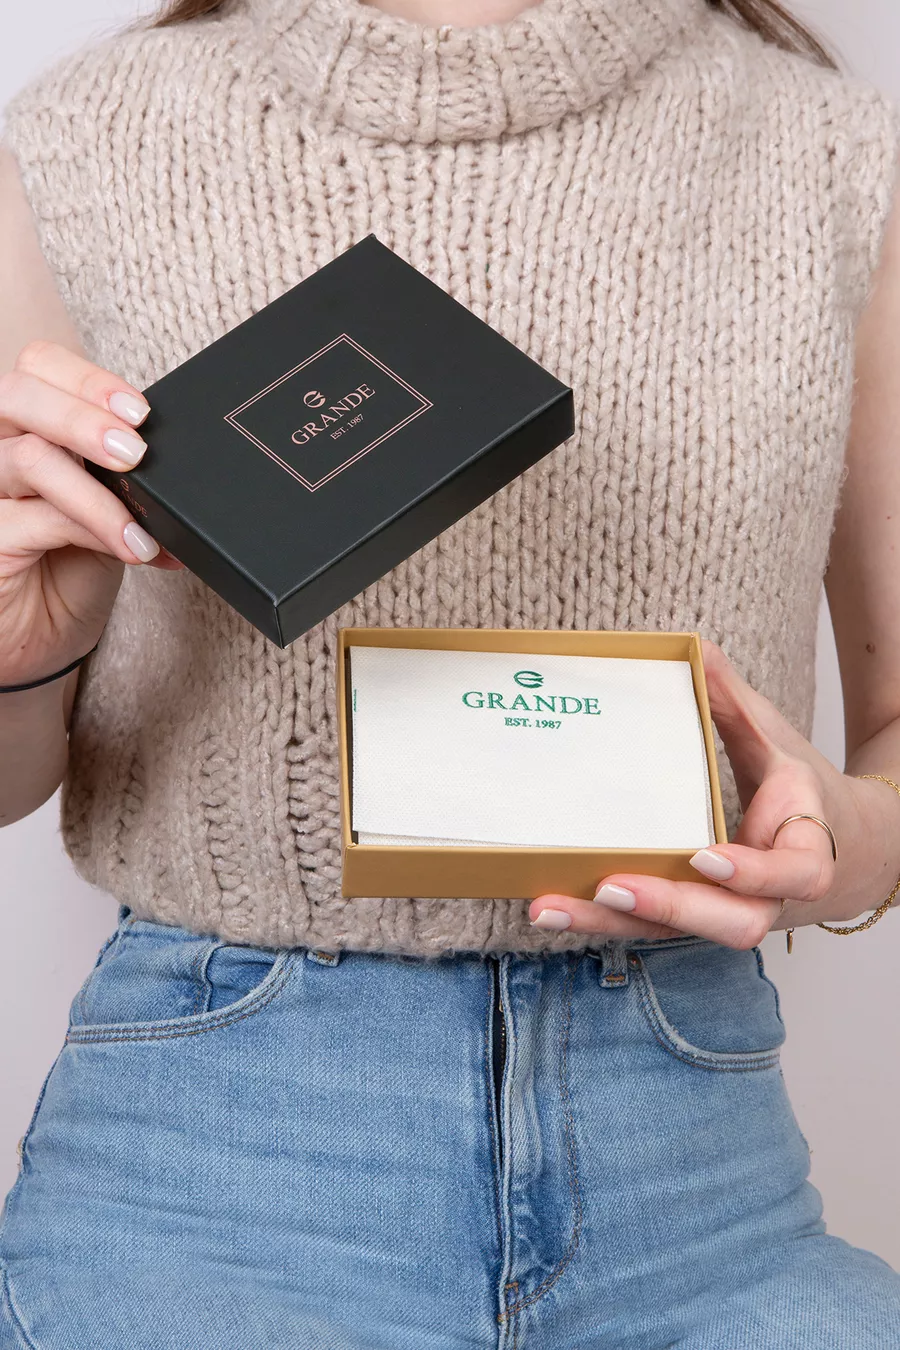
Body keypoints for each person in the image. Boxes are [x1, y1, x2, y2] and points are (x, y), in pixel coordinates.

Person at [1, 0, 900, 1344]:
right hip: (203, 1173)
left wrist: (848, 843)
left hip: (702, 1175)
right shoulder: (78, 139)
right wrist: (21, 658)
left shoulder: (834, 153)